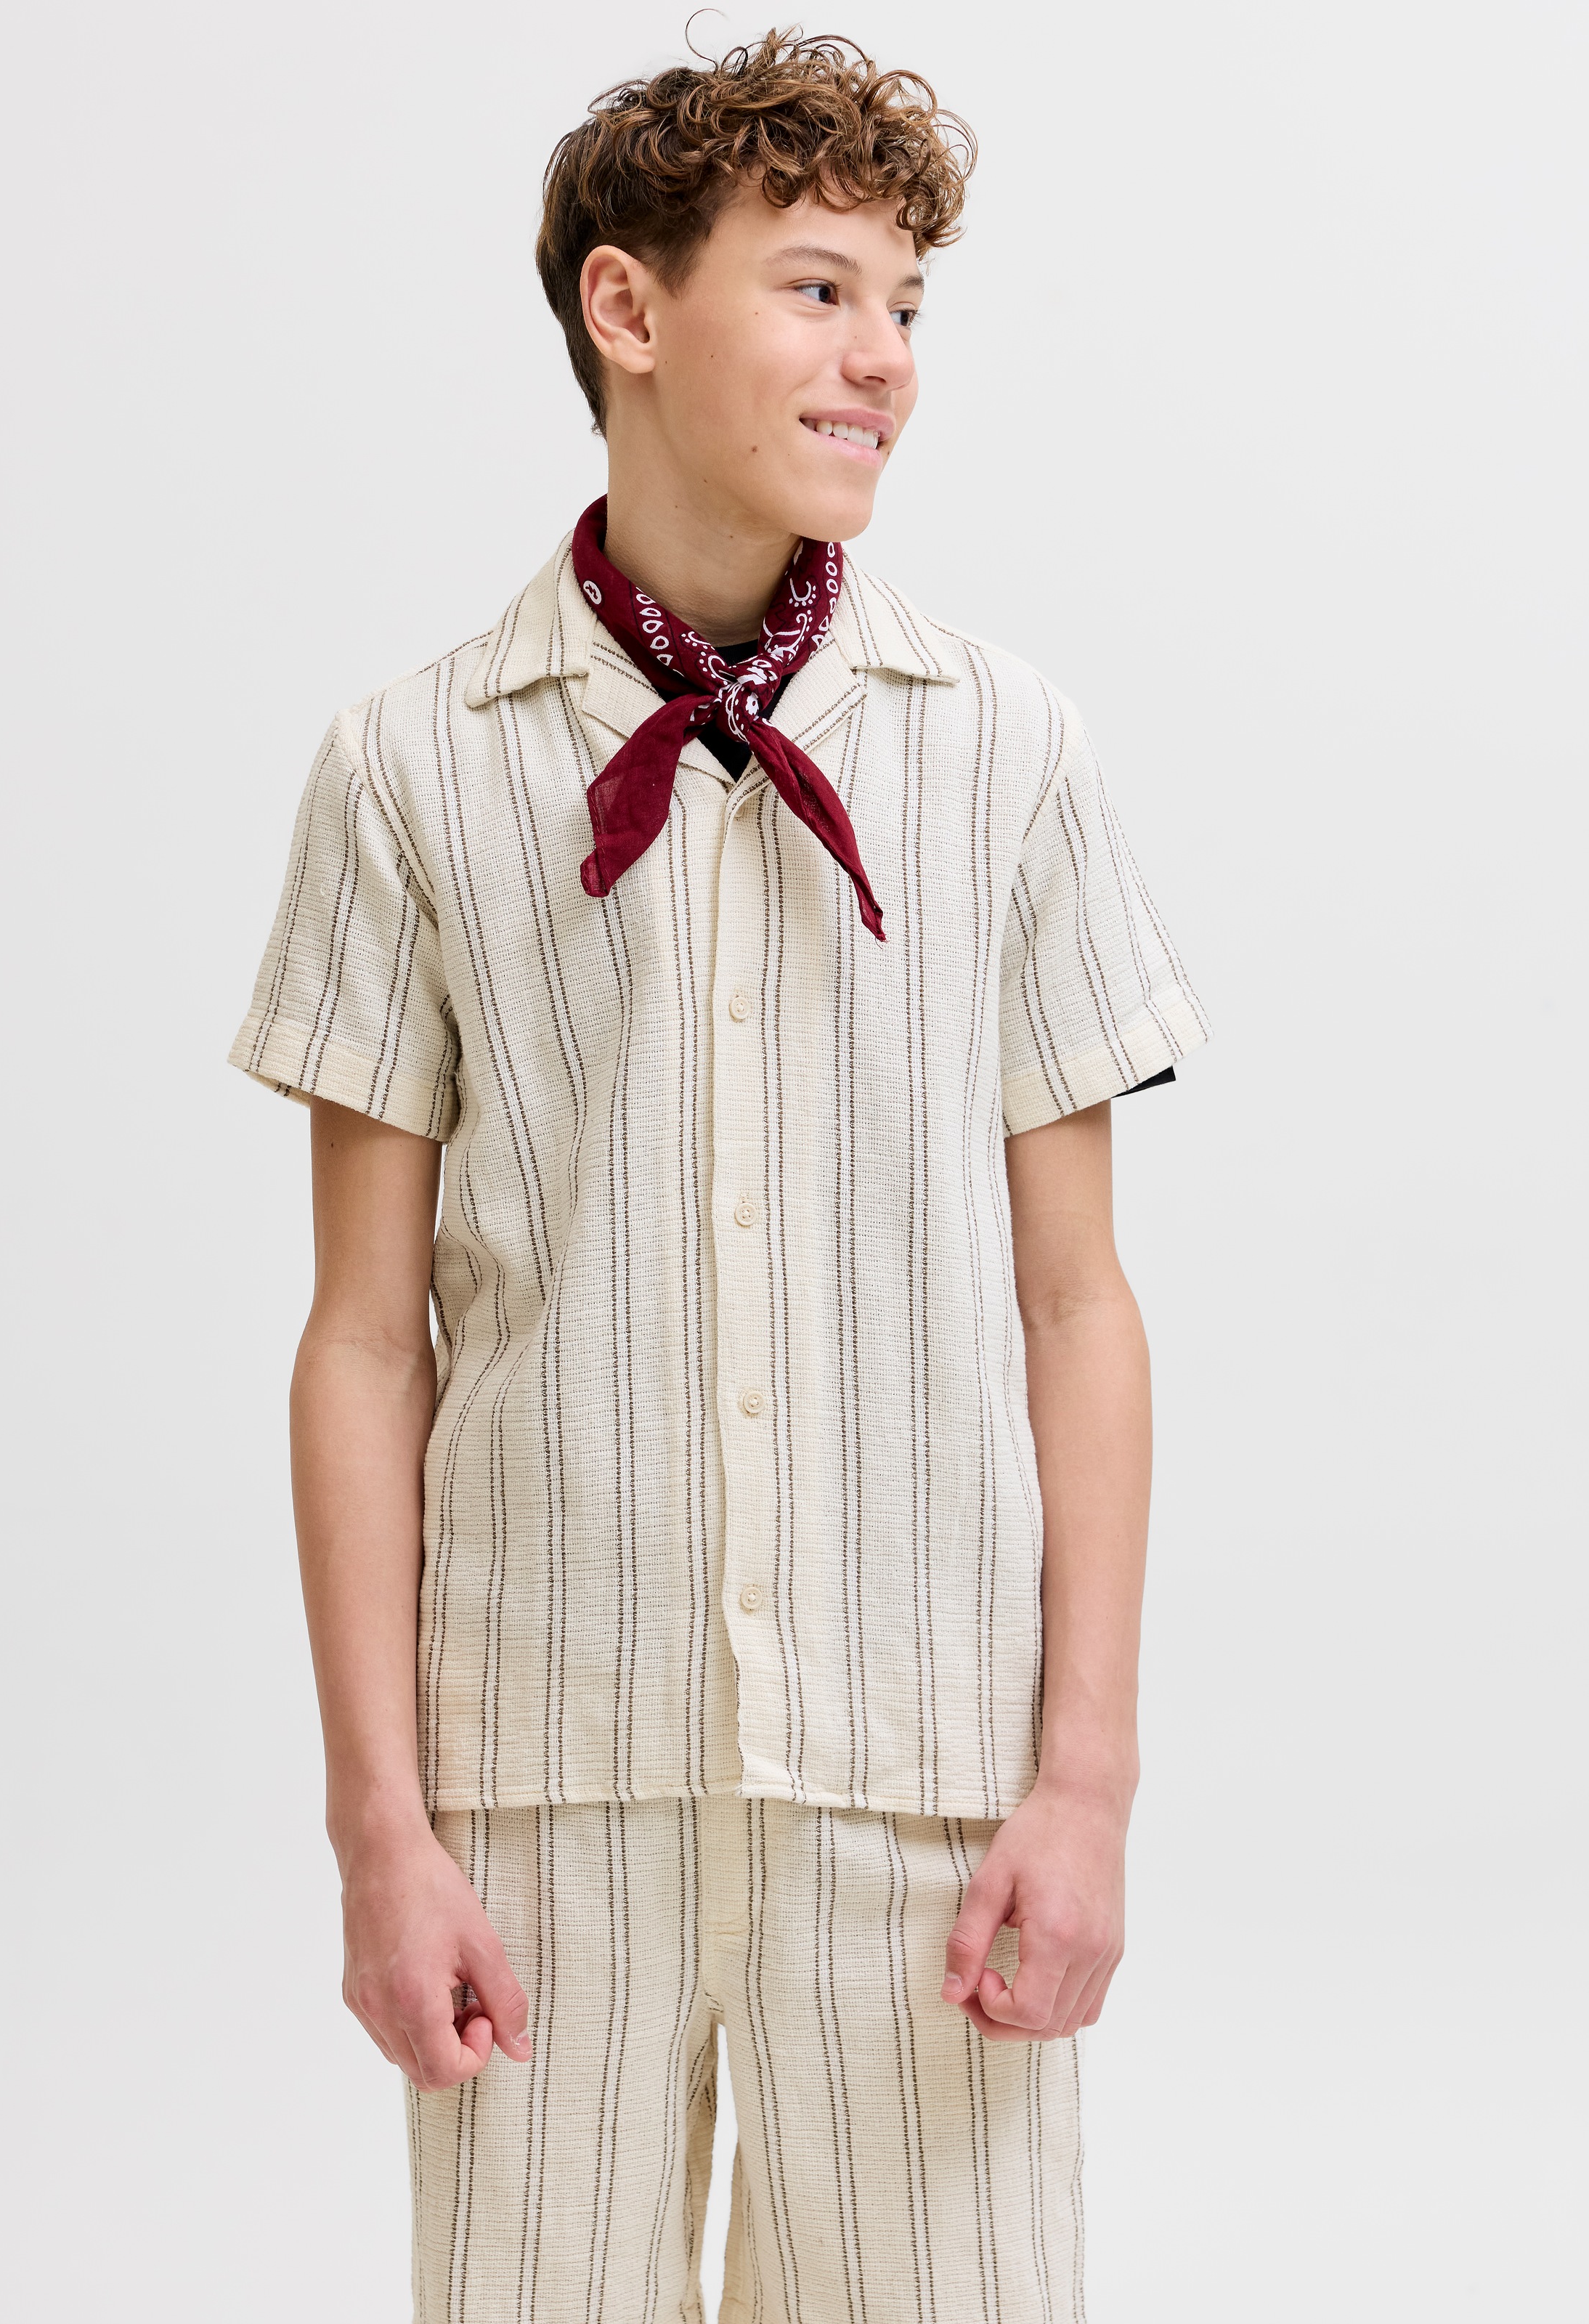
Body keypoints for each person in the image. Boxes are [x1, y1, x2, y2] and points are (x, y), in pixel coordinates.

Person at [228, 29, 1208, 2322]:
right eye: (820, 291)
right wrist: (384, 1831)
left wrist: (1085, 1786)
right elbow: (364, 1340)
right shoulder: (411, 771)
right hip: (541, 1790)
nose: (884, 361)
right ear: (629, 309)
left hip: (924, 1786)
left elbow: (1079, 1303)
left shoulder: (1008, 755)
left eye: (908, 308)